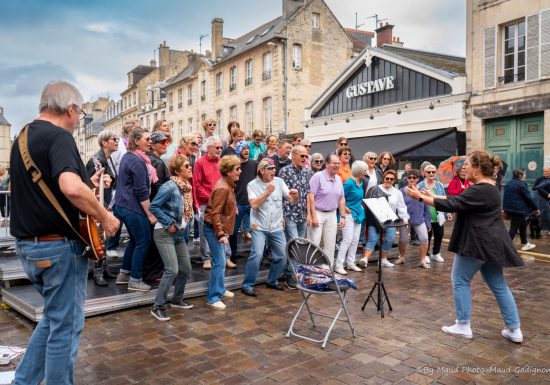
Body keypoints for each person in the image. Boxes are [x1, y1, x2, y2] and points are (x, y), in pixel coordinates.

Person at [9, 81, 119, 385]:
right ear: (71, 109)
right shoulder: (60, 137)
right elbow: (69, 187)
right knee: (66, 327)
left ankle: (24, 381)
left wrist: (89, 179)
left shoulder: (23, 136)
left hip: (29, 247)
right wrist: (105, 216)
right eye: (80, 114)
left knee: (54, 320)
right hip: (57, 249)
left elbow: (49, 187)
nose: (78, 120)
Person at [406, 151, 525, 343]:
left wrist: (418, 197)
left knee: (460, 279)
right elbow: (459, 201)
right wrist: (432, 195)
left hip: (477, 243)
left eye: (468, 164)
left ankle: (463, 325)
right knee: (499, 284)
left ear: (477, 169)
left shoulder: (479, 189)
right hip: (491, 245)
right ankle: (514, 329)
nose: (464, 168)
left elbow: (454, 204)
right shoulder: (489, 188)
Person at [241, 158, 298, 296]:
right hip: (259, 226)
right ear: (262, 170)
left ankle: (272, 281)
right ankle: (247, 285)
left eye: (274, 168)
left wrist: (295, 196)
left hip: (276, 226)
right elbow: (254, 205)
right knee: (257, 254)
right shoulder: (252, 185)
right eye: (270, 168)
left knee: (283, 256)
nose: (274, 170)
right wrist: (267, 192)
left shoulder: (279, 182)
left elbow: (291, 201)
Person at [148, 154, 194, 322]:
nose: (190, 168)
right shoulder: (169, 186)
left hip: (179, 233)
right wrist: (168, 222)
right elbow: (154, 206)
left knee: (186, 269)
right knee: (172, 270)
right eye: (186, 166)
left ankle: (177, 299)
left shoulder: (186, 187)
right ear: (177, 169)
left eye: (190, 165)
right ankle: (157, 306)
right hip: (164, 232)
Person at [114, 127, 157, 292]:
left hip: (123, 205)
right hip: (132, 206)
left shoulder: (129, 157)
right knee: (143, 241)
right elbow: (141, 191)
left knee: (135, 240)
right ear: (136, 140)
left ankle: (124, 275)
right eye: (147, 139)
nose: (150, 142)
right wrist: (150, 214)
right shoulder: (137, 161)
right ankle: (135, 280)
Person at [204, 155, 242, 310]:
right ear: (228, 172)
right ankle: (212, 297)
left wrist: (234, 208)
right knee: (219, 262)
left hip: (218, 228)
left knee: (221, 262)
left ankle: (219, 289)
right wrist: (220, 234)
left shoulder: (228, 184)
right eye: (237, 169)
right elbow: (215, 213)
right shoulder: (222, 187)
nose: (240, 171)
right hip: (213, 229)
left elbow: (226, 205)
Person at [194, 136, 235, 268]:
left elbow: (229, 182)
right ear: (208, 148)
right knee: (205, 230)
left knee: (224, 228)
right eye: (217, 147)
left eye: (221, 148)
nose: (219, 150)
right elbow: (197, 184)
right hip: (206, 202)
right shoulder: (200, 163)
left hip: (222, 201)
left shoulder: (222, 162)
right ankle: (206, 258)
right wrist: (211, 198)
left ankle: (226, 256)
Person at [85, 130, 119, 286]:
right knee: (98, 239)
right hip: (98, 205)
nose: (117, 141)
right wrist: (101, 208)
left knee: (104, 239)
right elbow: (91, 188)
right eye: (114, 139)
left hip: (105, 204)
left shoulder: (106, 158)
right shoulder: (96, 161)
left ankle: (103, 268)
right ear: (105, 142)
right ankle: (98, 272)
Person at [359, 170, 409, 267]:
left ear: (394, 180)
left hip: (390, 220)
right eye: (387, 178)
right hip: (375, 219)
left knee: (390, 238)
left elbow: (401, 206)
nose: (389, 180)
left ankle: (383, 259)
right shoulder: (375, 189)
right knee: (372, 238)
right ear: (383, 178)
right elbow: (367, 203)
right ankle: (365, 259)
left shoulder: (397, 192)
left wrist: (405, 218)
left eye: (391, 179)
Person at [279, 145, 312, 289]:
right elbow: (279, 194)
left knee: (298, 247)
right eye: (302, 156)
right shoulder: (284, 171)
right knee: (294, 245)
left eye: (306, 156)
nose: (305, 159)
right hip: (290, 214)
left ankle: (293, 273)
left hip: (302, 215)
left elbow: (308, 194)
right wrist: (282, 215)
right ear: (294, 156)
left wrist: (309, 213)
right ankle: (290, 276)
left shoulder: (306, 172)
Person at [141, 131, 171, 285]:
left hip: (154, 207)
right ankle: (154, 274)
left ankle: (152, 273)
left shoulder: (154, 160)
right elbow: (158, 188)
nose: (165, 144)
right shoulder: (157, 162)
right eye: (161, 142)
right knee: (156, 243)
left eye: (166, 141)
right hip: (157, 208)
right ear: (152, 144)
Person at [307, 153, 346, 265]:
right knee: (314, 243)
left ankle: (326, 270)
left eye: (338, 163)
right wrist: (313, 216)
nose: (337, 165)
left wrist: (342, 216)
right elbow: (310, 196)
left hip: (332, 214)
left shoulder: (338, 178)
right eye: (334, 163)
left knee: (330, 244)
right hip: (318, 212)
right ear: (327, 164)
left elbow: (341, 198)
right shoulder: (318, 176)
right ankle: (310, 269)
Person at [334, 160, 368, 274]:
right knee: (347, 240)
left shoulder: (361, 183)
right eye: (364, 170)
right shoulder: (349, 183)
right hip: (348, 214)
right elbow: (339, 196)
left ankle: (350, 263)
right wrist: (345, 208)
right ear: (359, 171)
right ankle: (338, 265)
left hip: (358, 214)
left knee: (355, 240)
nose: (366, 172)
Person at [228, 141, 258, 264]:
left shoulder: (254, 164)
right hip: (238, 203)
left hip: (252, 203)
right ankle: (232, 254)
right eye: (244, 148)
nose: (246, 150)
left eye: (248, 148)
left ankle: (256, 254)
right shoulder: (234, 165)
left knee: (256, 231)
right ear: (239, 150)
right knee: (233, 231)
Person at [395, 169, 431, 269]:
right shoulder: (401, 191)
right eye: (409, 177)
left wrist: (428, 222)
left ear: (418, 179)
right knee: (403, 239)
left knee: (424, 239)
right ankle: (402, 257)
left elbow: (426, 207)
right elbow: (398, 206)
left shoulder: (422, 191)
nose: (411, 179)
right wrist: (399, 219)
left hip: (419, 218)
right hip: (405, 219)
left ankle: (422, 260)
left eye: (414, 177)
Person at [418, 163, 449, 264]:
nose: (431, 173)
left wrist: (447, 213)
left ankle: (436, 253)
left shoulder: (439, 185)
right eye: (429, 172)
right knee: (427, 236)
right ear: (424, 173)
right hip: (426, 215)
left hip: (438, 215)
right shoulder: (420, 185)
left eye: (433, 172)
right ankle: (426, 254)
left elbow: (444, 199)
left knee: (439, 234)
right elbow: (418, 200)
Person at [503, 169, 539, 251]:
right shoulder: (521, 184)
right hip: (518, 209)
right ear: (520, 175)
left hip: (510, 208)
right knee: (513, 228)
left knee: (523, 225)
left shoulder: (509, 183)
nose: (525, 176)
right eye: (524, 174)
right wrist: (535, 208)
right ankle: (506, 248)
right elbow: (528, 198)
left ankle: (525, 243)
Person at [533, 166, 550, 235]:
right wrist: (546, 193)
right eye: (544, 171)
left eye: (547, 171)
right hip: (541, 199)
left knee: (549, 214)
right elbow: (534, 188)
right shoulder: (539, 179)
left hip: (549, 199)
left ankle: (549, 229)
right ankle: (541, 229)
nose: (545, 173)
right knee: (541, 215)